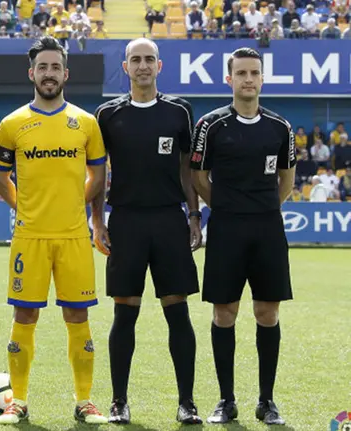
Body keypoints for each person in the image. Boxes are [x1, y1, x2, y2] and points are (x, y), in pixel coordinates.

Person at [0, 36, 108, 425]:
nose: (49, 73)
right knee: (25, 316)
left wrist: (82, 206)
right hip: (30, 237)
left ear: (65, 73)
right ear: (32, 73)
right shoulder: (12, 125)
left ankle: (85, 402)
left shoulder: (86, 123)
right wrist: (22, 205)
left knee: (78, 316)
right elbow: (0, 176)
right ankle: (17, 401)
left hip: (74, 236)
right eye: (43, 67)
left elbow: (98, 173)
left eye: (55, 67)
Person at [92, 37, 203, 425]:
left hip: (170, 221)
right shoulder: (107, 114)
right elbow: (98, 170)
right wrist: (96, 218)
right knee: (125, 314)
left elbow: (186, 168)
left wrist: (193, 215)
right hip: (125, 220)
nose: (142, 66)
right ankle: (119, 401)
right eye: (135, 59)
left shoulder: (179, 111)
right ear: (125, 67)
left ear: (159, 66)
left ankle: (187, 402)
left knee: (178, 312)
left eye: (149, 59)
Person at [190, 47, 295, 426]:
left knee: (267, 313)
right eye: (241, 73)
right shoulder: (210, 125)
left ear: (262, 79)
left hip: (267, 229)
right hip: (226, 228)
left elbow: (287, 179)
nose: (248, 79)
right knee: (225, 313)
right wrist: (229, 206)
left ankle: (267, 401)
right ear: (229, 79)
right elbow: (198, 178)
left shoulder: (280, 128)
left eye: (254, 73)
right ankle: (226, 400)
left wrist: (262, 207)